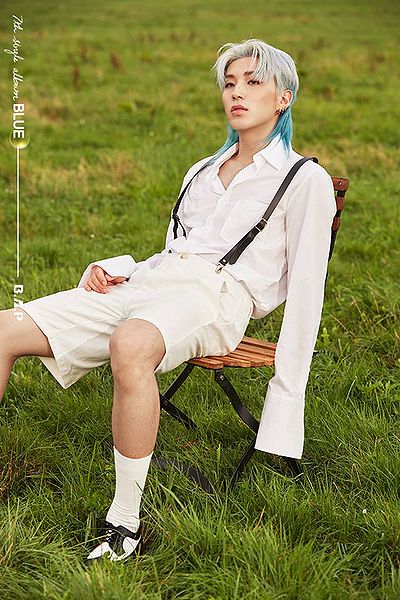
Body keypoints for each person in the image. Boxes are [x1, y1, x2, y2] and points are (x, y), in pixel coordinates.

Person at [0, 39, 336, 564]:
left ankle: (124, 524)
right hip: (152, 285)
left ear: (283, 98)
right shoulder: (201, 170)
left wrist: (284, 406)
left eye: (253, 82)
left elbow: (309, 291)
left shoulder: (304, 179)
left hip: (219, 298)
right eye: (230, 83)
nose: (237, 93)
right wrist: (122, 267)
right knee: (4, 328)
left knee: (131, 343)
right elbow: (174, 250)